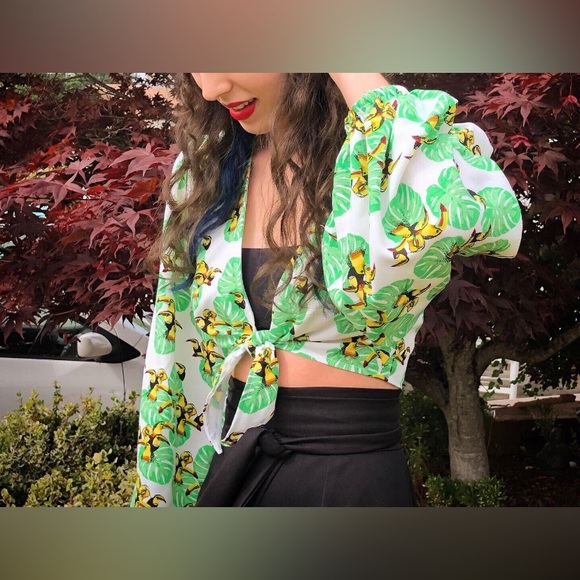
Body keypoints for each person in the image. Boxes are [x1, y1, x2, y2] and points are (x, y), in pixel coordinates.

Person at [132, 73, 522, 507]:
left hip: (348, 482)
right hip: (232, 468)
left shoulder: (384, 153)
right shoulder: (206, 172)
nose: (211, 88)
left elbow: (483, 218)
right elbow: (173, 351)